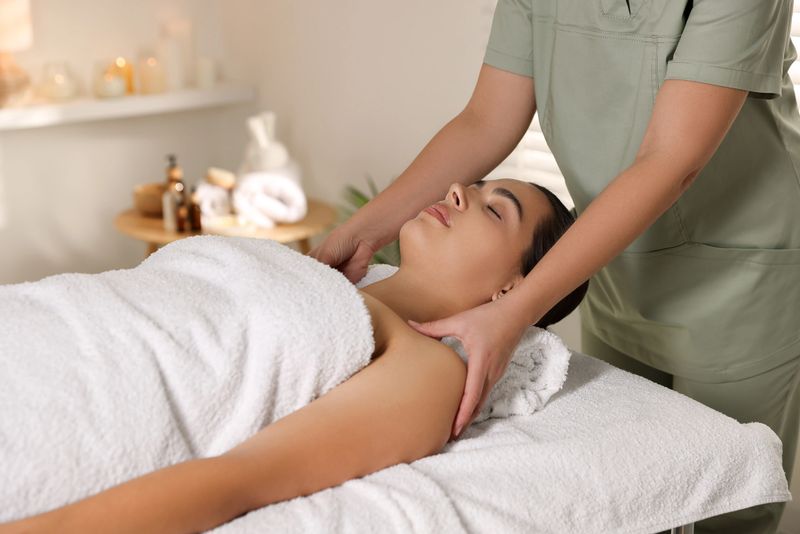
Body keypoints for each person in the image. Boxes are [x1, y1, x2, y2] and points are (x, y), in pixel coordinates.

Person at [310, 1, 800, 532]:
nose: (457, 196)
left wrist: (517, 310)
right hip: (614, 267)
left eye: (495, 207)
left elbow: (671, 158)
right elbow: (486, 119)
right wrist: (361, 233)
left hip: (741, 277)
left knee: (728, 509)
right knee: (636, 497)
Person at [0, 179, 587, 533]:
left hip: (60, 393)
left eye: (493, 209)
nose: (459, 190)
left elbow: (243, 479)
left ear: (513, 292)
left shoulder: (426, 369)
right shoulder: (320, 280)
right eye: (475, 185)